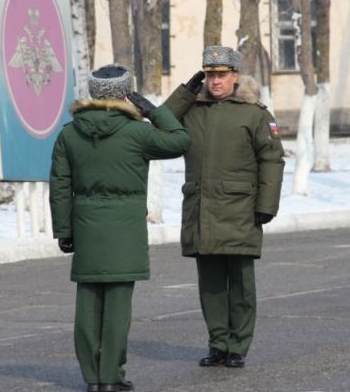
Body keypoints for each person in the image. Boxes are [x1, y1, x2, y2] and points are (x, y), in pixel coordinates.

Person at [49, 64, 190, 392]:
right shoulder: (138, 133)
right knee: (116, 307)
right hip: (125, 232)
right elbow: (181, 140)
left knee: (87, 303)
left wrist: (64, 231)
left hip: (86, 230)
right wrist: (153, 111)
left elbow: (60, 186)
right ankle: (111, 376)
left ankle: (92, 377)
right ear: (126, 94)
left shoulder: (69, 134)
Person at [165, 45, 285, 368]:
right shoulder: (192, 109)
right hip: (202, 209)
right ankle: (218, 343)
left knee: (241, 283)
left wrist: (266, 204)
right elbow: (161, 125)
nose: (215, 81)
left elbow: (272, 159)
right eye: (209, 75)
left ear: (235, 76)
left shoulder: (254, 113)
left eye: (221, 75)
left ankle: (238, 346)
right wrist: (184, 93)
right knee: (211, 284)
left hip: (241, 209)